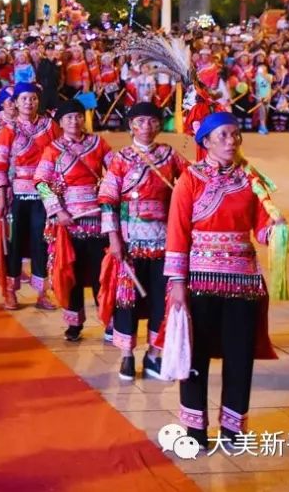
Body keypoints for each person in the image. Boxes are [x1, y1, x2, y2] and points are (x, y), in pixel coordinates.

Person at [165, 112, 286, 450]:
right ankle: (195, 429)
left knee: (239, 354)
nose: (231, 141)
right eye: (223, 136)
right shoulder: (189, 180)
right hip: (199, 279)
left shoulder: (251, 179)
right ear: (205, 142)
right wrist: (176, 282)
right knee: (196, 355)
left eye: (235, 135)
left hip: (242, 280)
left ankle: (233, 428)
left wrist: (276, 230)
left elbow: (261, 226)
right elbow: (177, 231)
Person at [98, 102, 188, 380]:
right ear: (131, 126)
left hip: (164, 241)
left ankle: (153, 354)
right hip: (129, 240)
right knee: (127, 300)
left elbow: (189, 188)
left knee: (161, 300)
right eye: (140, 122)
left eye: (151, 121)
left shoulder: (170, 155)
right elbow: (108, 200)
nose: (146, 127)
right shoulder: (120, 158)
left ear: (160, 125)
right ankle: (127, 355)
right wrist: (113, 238)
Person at [36, 99, 112, 340]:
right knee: (73, 274)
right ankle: (74, 323)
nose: (74, 121)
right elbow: (41, 182)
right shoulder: (53, 149)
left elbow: (115, 172)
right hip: (70, 221)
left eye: (78, 116)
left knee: (102, 273)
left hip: (98, 218)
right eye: (69, 118)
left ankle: (109, 320)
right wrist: (58, 211)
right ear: (61, 123)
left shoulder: (99, 144)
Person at [0, 82, 59, 310]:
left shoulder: (49, 126)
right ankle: (10, 291)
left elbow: (61, 157)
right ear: (16, 102)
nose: (29, 103)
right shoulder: (8, 130)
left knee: (43, 241)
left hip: (44, 190)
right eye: (24, 99)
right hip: (17, 192)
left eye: (33, 98)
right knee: (14, 243)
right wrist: (1, 198)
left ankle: (43, 292)